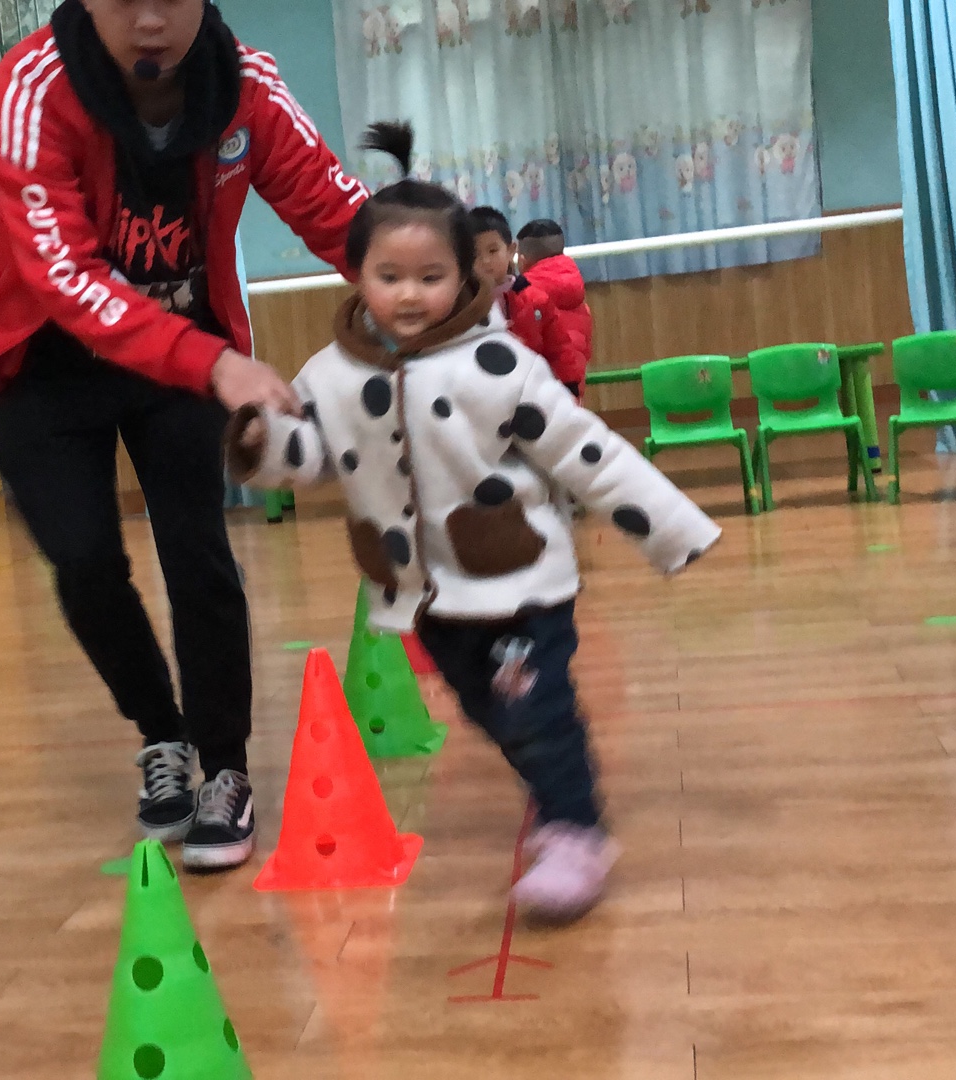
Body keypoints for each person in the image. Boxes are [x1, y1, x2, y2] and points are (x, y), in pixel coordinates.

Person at [225, 123, 721, 923]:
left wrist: (669, 526)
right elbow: (312, 457)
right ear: (357, 274)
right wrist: (262, 443)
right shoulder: (329, 374)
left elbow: (585, 450)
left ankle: (576, 831)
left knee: (538, 706)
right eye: (389, 276)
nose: (409, 294)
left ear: (465, 277)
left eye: (431, 276)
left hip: (521, 582)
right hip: (426, 595)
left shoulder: (501, 366)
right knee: (492, 711)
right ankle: (556, 796)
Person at [0, 0, 370, 871]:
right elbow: (64, 273)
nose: (150, 20)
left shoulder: (248, 84)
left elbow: (338, 210)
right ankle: (162, 735)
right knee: (83, 563)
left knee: (198, 553)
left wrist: (449, 282)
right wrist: (216, 364)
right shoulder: (34, 86)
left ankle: (225, 769)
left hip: (180, 360)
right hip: (46, 365)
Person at [469, 206, 561, 374]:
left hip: (532, 379)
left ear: (511, 251)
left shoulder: (535, 299)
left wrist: (567, 384)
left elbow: (558, 349)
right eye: (475, 254)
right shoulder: (463, 304)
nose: (485, 260)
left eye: (493, 251)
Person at [516, 219, 594, 397]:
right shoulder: (578, 293)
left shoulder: (521, 296)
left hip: (535, 394)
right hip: (573, 389)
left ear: (521, 260)